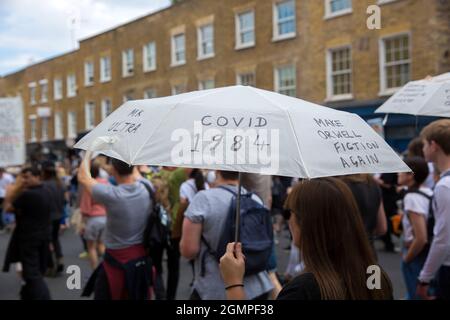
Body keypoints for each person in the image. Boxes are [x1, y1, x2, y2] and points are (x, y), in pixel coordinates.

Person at [220, 178, 393, 300]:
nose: (288, 219)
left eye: (289, 212)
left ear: (309, 223)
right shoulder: (375, 274)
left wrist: (234, 283)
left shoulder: (303, 290)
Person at [180, 170, 273, 300]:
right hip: (258, 286)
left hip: (215, 288)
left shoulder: (203, 198)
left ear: (217, 172)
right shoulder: (254, 198)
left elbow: (189, 250)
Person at [78, 156, 154, 300]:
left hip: (116, 260)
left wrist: (88, 151)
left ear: (112, 170)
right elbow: (134, 171)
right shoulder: (146, 186)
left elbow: (83, 177)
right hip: (141, 255)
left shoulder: (111, 194)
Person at [3, 167, 51, 300]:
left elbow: (7, 208)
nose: (25, 180)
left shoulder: (28, 194)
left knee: (32, 274)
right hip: (42, 236)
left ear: (37, 177)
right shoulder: (45, 191)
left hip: (29, 238)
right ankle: (27, 295)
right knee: (35, 272)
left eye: (28, 177)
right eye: (24, 177)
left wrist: (14, 189)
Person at [417, 119, 450, 300]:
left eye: (424, 145)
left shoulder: (444, 186)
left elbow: (443, 239)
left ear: (434, 145)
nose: (423, 150)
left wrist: (424, 278)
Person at [397, 157, 432, 299]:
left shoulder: (411, 198)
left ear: (411, 175)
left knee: (416, 294)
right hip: (427, 252)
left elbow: (421, 238)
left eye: (401, 170)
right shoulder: (427, 192)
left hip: (417, 253)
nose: (397, 173)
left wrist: (407, 259)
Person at [340, 174, 387, 255]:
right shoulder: (373, 185)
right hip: (368, 252)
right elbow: (382, 228)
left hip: (344, 254)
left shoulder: (337, 188)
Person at [79, 161, 108, 269]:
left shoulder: (89, 185)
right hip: (106, 218)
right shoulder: (106, 183)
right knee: (102, 244)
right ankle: (107, 268)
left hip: (93, 219)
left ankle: (95, 270)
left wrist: (82, 222)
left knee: (91, 247)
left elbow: (85, 207)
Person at [42, 164, 66, 274]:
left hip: (47, 217)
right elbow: (64, 201)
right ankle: (59, 259)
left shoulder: (44, 185)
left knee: (46, 240)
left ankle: (50, 265)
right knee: (55, 239)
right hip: (58, 215)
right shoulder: (60, 184)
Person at [0, 167, 15, 232]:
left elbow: (13, 185)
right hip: (1, 196)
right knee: (1, 211)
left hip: (6, 196)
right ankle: (3, 225)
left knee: (7, 210)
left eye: (1, 173)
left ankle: (9, 224)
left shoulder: (8, 177)